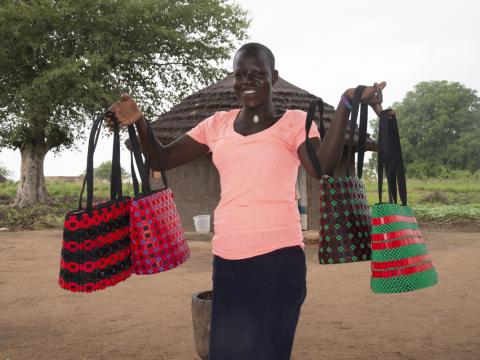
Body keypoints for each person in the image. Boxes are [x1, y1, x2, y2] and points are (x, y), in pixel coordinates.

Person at [107, 42, 386, 360]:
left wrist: (347, 102)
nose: (248, 80)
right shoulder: (217, 124)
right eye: (241, 74)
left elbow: (320, 166)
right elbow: (162, 156)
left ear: (274, 78)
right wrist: (139, 122)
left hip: (278, 261)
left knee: (266, 352)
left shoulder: (294, 122)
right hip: (227, 260)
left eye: (257, 73)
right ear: (233, 78)